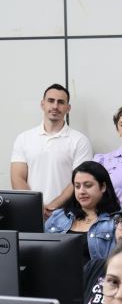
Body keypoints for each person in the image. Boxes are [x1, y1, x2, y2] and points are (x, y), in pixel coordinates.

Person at [11, 83, 93, 218]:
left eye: (61, 102)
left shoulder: (80, 141)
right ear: (42, 104)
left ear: (68, 108)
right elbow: (17, 178)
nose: (55, 106)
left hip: (67, 215)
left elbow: (79, 181)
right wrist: (36, 207)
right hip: (29, 213)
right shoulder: (24, 138)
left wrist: (53, 207)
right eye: (51, 101)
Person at [45, 161, 121, 261]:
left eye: (88, 185)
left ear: (103, 187)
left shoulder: (117, 221)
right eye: (77, 186)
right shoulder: (57, 217)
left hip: (96, 276)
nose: (81, 191)